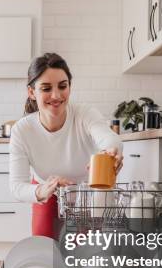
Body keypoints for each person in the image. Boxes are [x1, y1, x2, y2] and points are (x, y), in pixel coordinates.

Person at [9, 53, 123, 239]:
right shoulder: (22, 130)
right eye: (46, 88)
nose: (56, 95)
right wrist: (43, 189)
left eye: (63, 86)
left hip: (87, 192)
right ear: (31, 92)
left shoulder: (84, 114)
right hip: (47, 189)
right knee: (44, 245)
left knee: (85, 250)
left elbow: (110, 139)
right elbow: (17, 187)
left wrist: (111, 151)